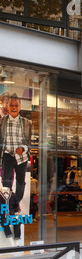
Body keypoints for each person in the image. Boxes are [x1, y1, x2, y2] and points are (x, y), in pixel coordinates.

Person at [0, 94, 31, 223]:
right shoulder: (2, 121)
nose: (13, 107)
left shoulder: (26, 122)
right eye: (11, 105)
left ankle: (15, 203)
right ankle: (6, 206)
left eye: (16, 105)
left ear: (20, 107)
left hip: (21, 157)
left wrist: (23, 148)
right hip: (7, 154)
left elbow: (29, 142)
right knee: (6, 181)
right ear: (7, 106)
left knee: (20, 182)